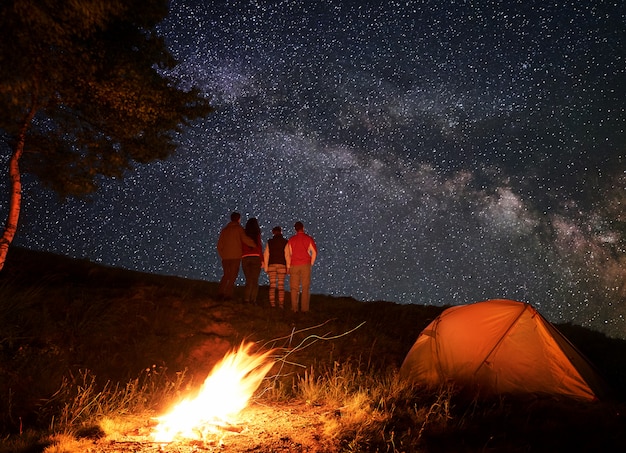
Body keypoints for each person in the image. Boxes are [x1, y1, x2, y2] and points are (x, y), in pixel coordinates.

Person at [216, 212, 255, 301]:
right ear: (238, 219)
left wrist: (223, 255)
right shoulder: (239, 229)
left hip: (225, 257)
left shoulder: (225, 230)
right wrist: (254, 244)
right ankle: (228, 295)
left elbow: (219, 245)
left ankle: (220, 293)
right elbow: (245, 239)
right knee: (233, 276)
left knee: (226, 275)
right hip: (235, 256)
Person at [285, 221, 317, 313]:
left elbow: (288, 254)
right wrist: (311, 263)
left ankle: (294, 308)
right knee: (305, 287)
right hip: (305, 265)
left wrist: (288, 266)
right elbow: (314, 252)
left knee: (294, 288)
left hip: (294, 265)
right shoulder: (308, 238)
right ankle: (304, 309)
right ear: (303, 228)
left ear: (295, 229)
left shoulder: (291, 240)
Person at [263, 226, 288, 308]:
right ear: (281, 232)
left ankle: (272, 303)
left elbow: (266, 255)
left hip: (272, 265)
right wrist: (288, 267)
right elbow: (287, 255)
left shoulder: (270, 242)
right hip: (282, 265)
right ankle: (281, 304)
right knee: (281, 286)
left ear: (273, 232)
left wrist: (266, 267)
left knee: (272, 285)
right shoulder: (285, 242)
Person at [241, 217, 263, 304]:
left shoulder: (243, 233)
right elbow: (259, 247)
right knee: (255, 280)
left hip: (245, 257)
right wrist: (262, 260)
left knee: (248, 280)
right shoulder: (257, 234)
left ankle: (246, 299)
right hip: (256, 257)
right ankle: (253, 300)